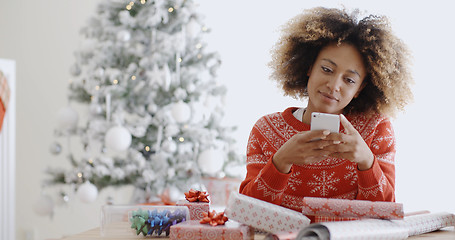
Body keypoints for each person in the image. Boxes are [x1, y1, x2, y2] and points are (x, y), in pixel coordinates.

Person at [239, 7, 413, 221]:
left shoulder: (376, 129)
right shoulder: (265, 130)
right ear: (309, 67)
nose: (333, 85)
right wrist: (281, 161)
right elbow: (247, 214)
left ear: (360, 88)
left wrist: (367, 162)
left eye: (349, 80)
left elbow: (386, 216)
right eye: (327, 70)